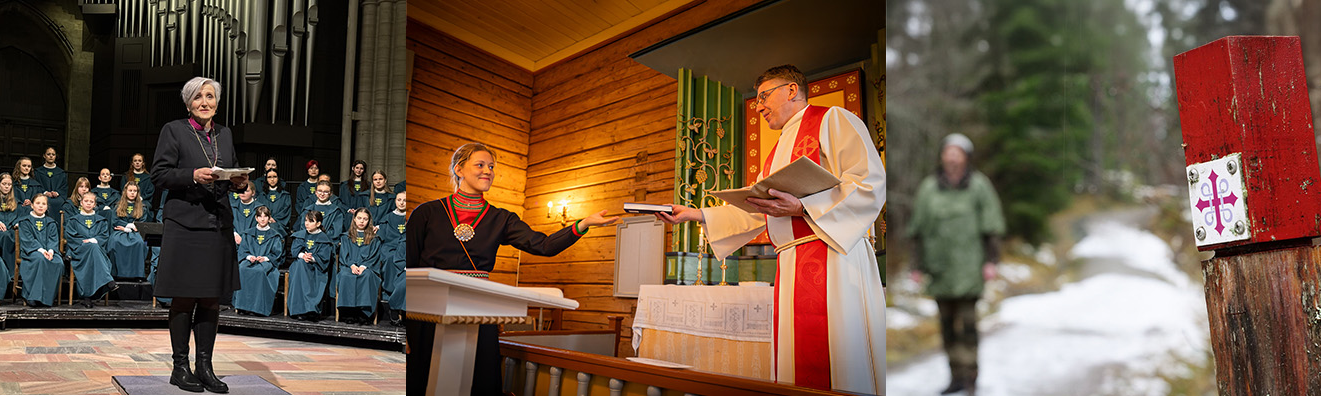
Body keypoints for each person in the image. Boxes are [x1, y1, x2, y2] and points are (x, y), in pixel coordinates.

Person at [656, 65, 887, 393]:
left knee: (839, 358)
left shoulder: (832, 119)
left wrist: (804, 206)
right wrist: (693, 215)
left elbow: (868, 181)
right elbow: (757, 212)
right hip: (792, 264)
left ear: (792, 90)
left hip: (833, 255)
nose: (759, 105)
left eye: (764, 96)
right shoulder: (776, 152)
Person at [404, 142, 618, 395]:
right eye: (480, 165)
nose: (488, 171)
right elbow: (407, 265)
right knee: (426, 373)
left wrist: (582, 224)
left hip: (478, 306)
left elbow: (545, 245)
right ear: (459, 169)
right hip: (430, 308)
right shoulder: (427, 212)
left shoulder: (501, 218)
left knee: (478, 376)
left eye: (491, 167)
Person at [150, 76, 245, 393]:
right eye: (198, 97)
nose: (205, 102)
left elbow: (228, 169)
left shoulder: (225, 134)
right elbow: (159, 175)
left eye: (210, 96)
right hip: (185, 223)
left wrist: (239, 182)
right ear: (188, 102)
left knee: (211, 298)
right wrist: (191, 175)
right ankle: (181, 367)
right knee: (185, 296)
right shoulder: (174, 130)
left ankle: (205, 367)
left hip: (217, 223)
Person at [907, 132, 1004, 395]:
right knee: (947, 326)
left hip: (969, 267)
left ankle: (971, 376)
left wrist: (991, 261)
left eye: (957, 152)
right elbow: (917, 230)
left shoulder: (979, 186)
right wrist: (916, 266)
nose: (951, 157)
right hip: (939, 268)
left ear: (966, 157)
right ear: (941, 156)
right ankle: (955, 377)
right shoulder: (929, 188)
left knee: (968, 326)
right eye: (947, 151)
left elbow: (991, 226)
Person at [232, 206, 281, 317]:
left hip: (266, 262)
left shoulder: (274, 235)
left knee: (259, 271)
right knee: (243, 269)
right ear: (256, 218)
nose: (262, 219)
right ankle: (242, 306)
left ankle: (257, 308)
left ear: (269, 218)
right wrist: (249, 257)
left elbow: (276, 253)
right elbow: (243, 250)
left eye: (265, 216)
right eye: (260, 216)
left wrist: (265, 258)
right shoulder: (248, 233)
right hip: (250, 260)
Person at [67, 193, 114, 307]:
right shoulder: (73, 220)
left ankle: (87, 296)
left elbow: (104, 237)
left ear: (95, 204)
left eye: (91, 202)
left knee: (94, 249)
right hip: (79, 251)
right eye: (86, 201)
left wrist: (94, 240)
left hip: (96, 251)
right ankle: (108, 280)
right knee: (92, 248)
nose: (88, 203)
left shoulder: (101, 221)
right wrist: (88, 242)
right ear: (81, 203)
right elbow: (71, 237)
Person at [335, 209, 380, 325]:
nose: (361, 221)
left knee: (367, 276)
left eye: (365, 219)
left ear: (369, 221)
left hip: (367, 267)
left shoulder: (374, 238)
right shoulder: (346, 237)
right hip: (349, 266)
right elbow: (344, 254)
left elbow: (374, 256)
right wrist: (352, 265)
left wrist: (364, 266)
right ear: (354, 219)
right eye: (359, 218)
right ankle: (349, 313)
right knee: (346, 276)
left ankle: (364, 314)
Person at [288, 210, 334, 322]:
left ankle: (311, 310)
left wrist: (312, 258)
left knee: (307, 269)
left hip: (317, 267)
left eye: (311, 221)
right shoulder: (301, 235)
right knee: (300, 265)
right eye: (306, 221)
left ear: (318, 223)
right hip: (301, 266)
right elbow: (294, 251)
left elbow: (325, 257)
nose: (306, 224)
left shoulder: (324, 239)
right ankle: (299, 310)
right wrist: (303, 255)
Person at [18, 195, 62, 308]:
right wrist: (42, 251)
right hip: (31, 252)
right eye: (38, 203)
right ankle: (32, 296)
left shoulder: (50, 222)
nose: (41, 206)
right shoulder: (25, 221)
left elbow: (53, 239)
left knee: (58, 262)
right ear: (32, 205)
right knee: (40, 259)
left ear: (47, 207)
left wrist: (51, 251)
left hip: (49, 252)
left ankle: (47, 298)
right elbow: (28, 240)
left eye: (43, 204)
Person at [374, 190, 407, 325]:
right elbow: (382, 236)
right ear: (395, 201)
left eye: (405, 200)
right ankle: (391, 296)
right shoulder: (388, 217)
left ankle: (398, 302)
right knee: (390, 260)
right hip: (390, 248)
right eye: (399, 200)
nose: (401, 202)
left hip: (405, 249)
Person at [110, 182, 153, 280]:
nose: (133, 193)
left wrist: (132, 227)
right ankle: (118, 274)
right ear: (125, 192)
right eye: (130, 190)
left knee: (140, 242)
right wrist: (126, 226)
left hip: (136, 232)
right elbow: (115, 221)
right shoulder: (117, 206)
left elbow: (142, 222)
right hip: (120, 231)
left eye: (135, 191)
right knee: (115, 242)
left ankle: (136, 274)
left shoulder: (142, 207)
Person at [260, 169, 294, 234]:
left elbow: (285, 211)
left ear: (278, 178)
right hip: (263, 226)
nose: (272, 179)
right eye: (269, 177)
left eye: (274, 177)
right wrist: (267, 219)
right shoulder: (261, 196)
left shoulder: (285, 195)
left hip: (279, 227)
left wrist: (274, 220)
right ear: (266, 179)